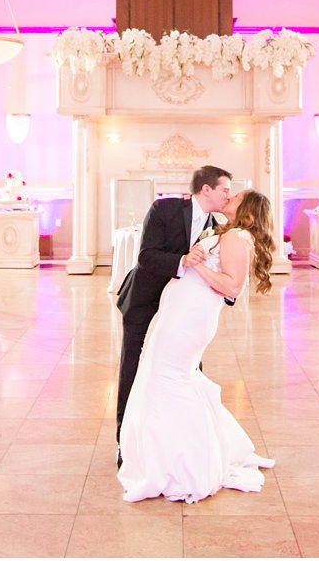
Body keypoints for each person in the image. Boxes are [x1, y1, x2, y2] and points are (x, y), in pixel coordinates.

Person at [117, 188, 276, 504]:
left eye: (236, 196)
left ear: (247, 208)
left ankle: (184, 461)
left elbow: (232, 286)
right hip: (179, 315)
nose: (229, 197)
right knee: (168, 377)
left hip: (189, 320)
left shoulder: (235, 239)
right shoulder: (228, 233)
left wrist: (196, 265)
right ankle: (170, 451)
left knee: (167, 378)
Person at [114, 165, 234, 457]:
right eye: (225, 190)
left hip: (183, 310)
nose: (228, 196)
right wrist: (183, 259)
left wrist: (229, 291)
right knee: (134, 364)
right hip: (145, 301)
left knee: (189, 367)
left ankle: (185, 439)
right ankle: (124, 441)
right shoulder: (163, 208)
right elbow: (146, 256)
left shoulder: (217, 225)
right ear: (206, 189)